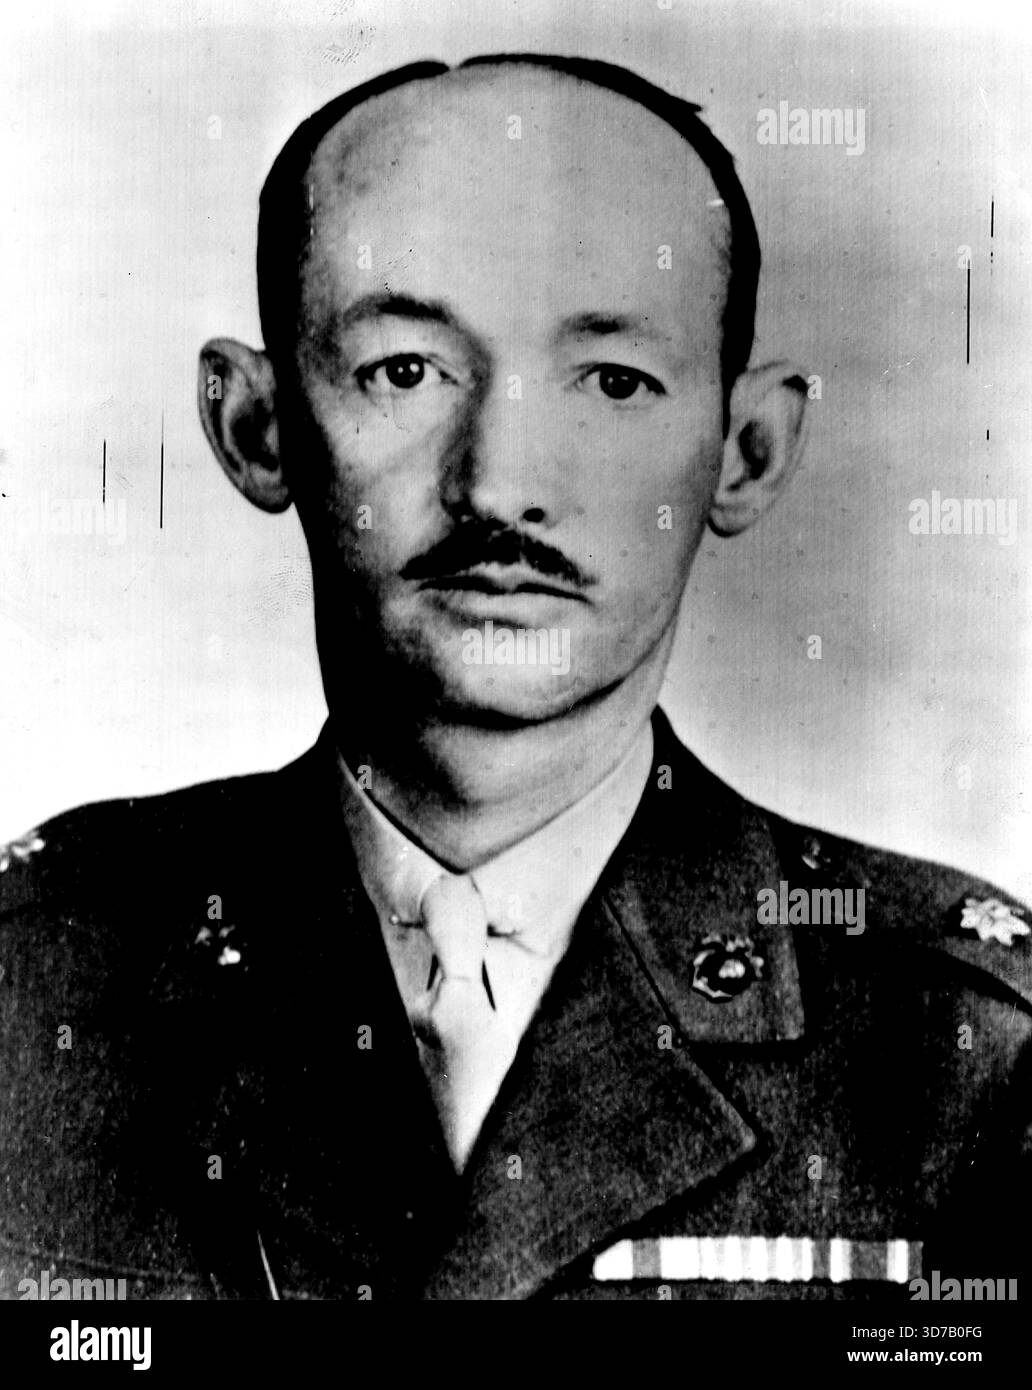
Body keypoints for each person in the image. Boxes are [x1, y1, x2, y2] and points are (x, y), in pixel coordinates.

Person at [1, 54, 1028, 1303]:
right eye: (405, 371)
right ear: (255, 425)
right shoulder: (38, 986)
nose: (500, 485)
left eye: (614, 381)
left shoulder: (962, 1053)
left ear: (746, 451)